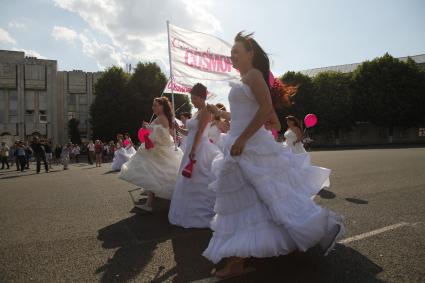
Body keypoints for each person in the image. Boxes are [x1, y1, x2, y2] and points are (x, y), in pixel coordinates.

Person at [202, 32, 344, 277]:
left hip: (248, 145)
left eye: (237, 52)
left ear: (250, 54)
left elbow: (267, 110)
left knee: (254, 198)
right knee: (254, 200)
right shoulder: (245, 78)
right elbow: (248, 114)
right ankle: (252, 252)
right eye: (231, 53)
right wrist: (223, 115)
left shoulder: (255, 75)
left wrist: (244, 138)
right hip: (239, 141)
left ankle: (237, 261)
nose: (232, 56)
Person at [169, 83, 221, 228]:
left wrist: (193, 149)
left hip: (200, 148)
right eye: (192, 98)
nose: (193, 100)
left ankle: (206, 212)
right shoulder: (197, 112)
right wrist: (178, 128)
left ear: (202, 98)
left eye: (195, 98)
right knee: (189, 179)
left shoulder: (205, 111)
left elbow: (200, 132)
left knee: (199, 178)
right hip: (193, 147)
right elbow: (190, 132)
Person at [119, 97, 183, 211]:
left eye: (155, 105)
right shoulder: (161, 117)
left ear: (162, 106)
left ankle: (149, 204)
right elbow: (164, 132)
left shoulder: (162, 117)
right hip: (155, 150)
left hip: (158, 151)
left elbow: (163, 135)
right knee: (152, 175)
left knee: (153, 174)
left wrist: (148, 127)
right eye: (153, 105)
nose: (153, 107)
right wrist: (149, 127)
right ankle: (149, 204)